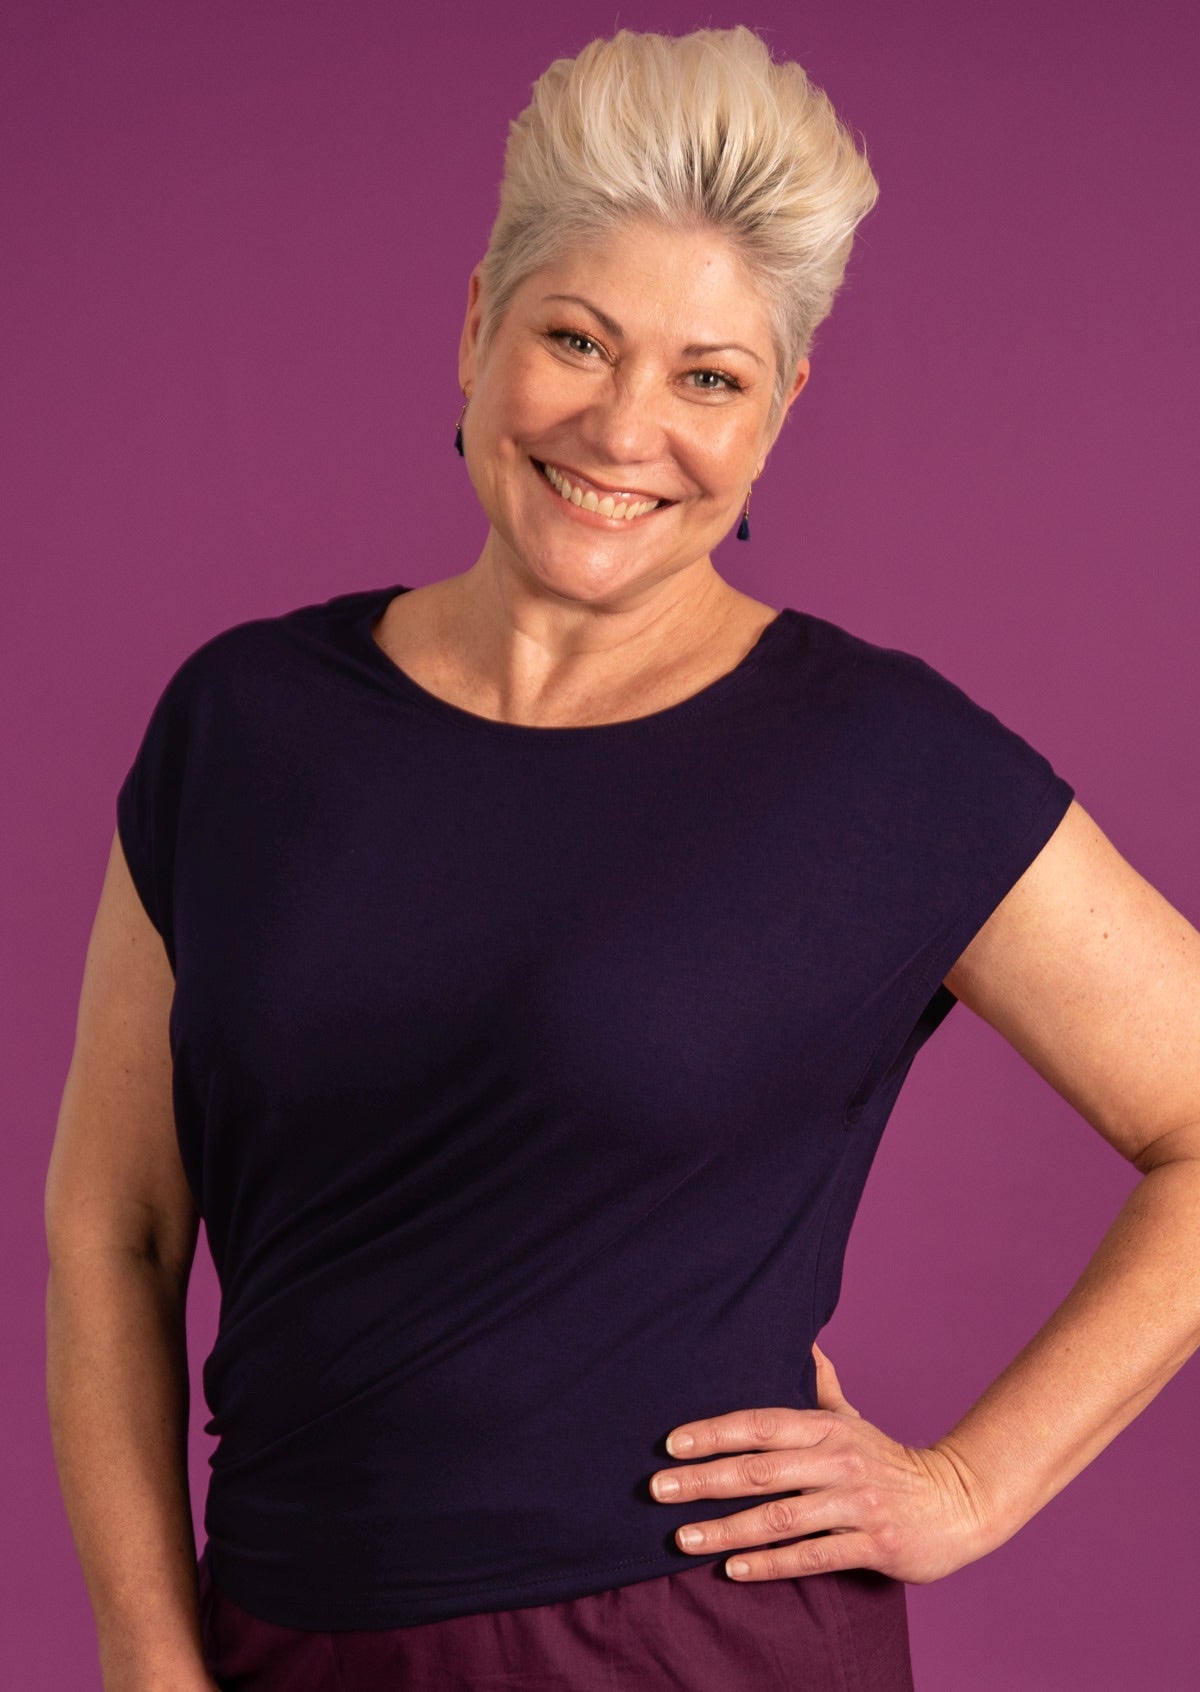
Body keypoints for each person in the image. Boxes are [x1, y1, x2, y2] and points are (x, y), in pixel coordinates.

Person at [44, 24, 1200, 1692]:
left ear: (781, 407)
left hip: (681, 1643)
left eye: (709, 376)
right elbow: (116, 1228)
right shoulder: (243, 725)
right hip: (277, 1628)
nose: (624, 426)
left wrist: (967, 1487)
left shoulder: (878, 763)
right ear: (474, 327)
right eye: (576, 338)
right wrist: (152, 1663)